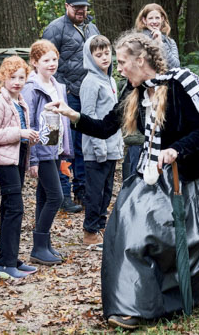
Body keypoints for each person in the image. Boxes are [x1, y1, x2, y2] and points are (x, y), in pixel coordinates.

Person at [48, 31, 199, 329]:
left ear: (141, 60)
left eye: (125, 62)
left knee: (178, 239)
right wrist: (71, 115)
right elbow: (105, 128)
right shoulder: (134, 90)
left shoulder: (182, 82)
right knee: (125, 227)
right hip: (148, 174)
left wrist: (175, 150)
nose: (121, 68)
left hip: (186, 177)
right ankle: (131, 304)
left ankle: (174, 292)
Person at [42, 0, 100, 212]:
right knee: (62, 146)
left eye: (84, 7)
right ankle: (62, 194)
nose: (81, 10)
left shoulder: (91, 28)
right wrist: (58, 90)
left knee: (83, 145)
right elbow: (45, 61)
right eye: (76, 7)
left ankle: (82, 191)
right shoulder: (55, 29)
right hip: (65, 96)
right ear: (66, 6)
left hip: (87, 95)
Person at [21, 40, 73, 266]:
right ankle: (38, 246)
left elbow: (64, 120)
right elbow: (29, 121)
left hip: (55, 149)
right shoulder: (31, 87)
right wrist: (32, 158)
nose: (52, 64)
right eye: (46, 60)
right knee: (56, 196)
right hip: (40, 151)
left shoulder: (58, 86)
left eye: (54, 59)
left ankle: (44, 244)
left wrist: (65, 151)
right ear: (34, 62)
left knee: (43, 197)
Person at [0, 56, 39, 279]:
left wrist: (29, 137)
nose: (17, 82)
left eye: (21, 77)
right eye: (12, 77)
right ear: (3, 78)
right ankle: (4, 264)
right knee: (14, 208)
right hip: (3, 162)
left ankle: (8, 258)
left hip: (18, 158)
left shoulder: (21, 102)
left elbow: (19, 132)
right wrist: (20, 134)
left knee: (11, 209)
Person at [126, 3, 181, 178]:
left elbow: (175, 66)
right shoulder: (137, 41)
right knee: (144, 135)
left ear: (163, 19)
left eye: (158, 18)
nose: (155, 21)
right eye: (151, 18)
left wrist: (160, 44)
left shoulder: (169, 42)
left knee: (163, 133)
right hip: (143, 93)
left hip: (164, 92)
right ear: (144, 20)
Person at [79, 35, 123, 248]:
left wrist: (117, 144)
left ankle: (100, 226)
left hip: (112, 146)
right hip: (96, 149)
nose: (104, 58)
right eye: (99, 55)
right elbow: (88, 117)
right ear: (90, 57)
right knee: (95, 192)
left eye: (107, 53)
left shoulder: (111, 80)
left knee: (106, 191)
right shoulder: (90, 82)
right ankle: (90, 231)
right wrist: (99, 146)